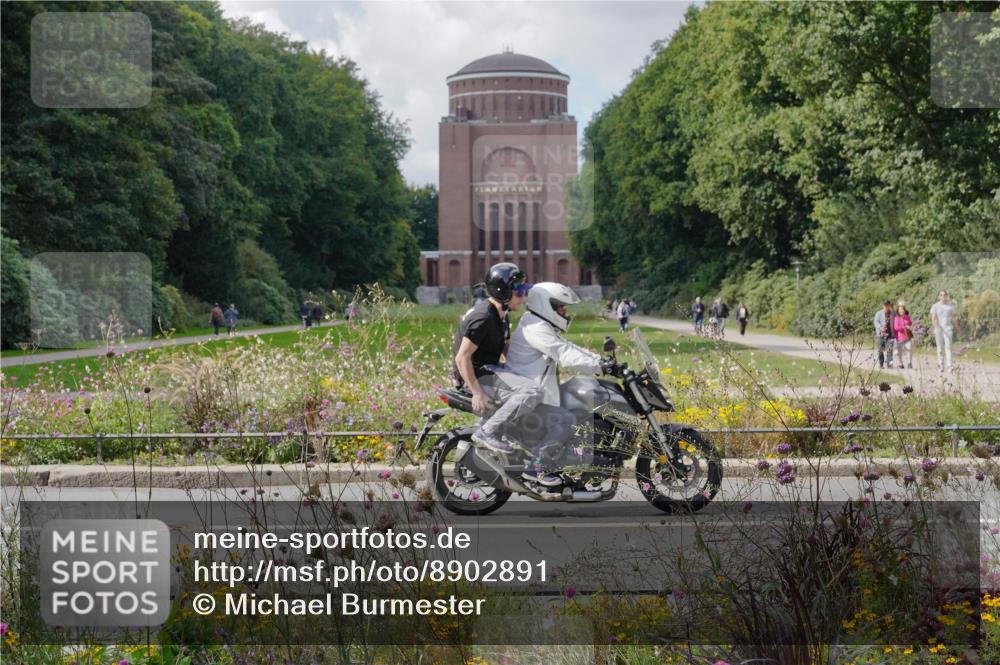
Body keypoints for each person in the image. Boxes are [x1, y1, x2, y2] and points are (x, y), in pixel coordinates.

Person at [504, 282, 605, 486]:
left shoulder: (537, 324)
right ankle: (536, 468)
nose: (564, 311)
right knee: (565, 419)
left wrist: (599, 360)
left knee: (578, 408)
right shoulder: (535, 329)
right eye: (560, 306)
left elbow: (565, 346)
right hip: (526, 398)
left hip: (533, 394)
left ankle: (573, 462)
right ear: (545, 305)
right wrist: (601, 366)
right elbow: (564, 354)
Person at [453, 262, 531, 450]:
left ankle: (496, 429)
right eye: (518, 291)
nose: (523, 296)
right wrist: (477, 392)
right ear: (503, 292)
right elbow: (462, 358)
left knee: (533, 382)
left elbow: (504, 346)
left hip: (488, 369)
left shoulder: (501, 313)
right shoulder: (484, 318)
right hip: (476, 375)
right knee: (531, 391)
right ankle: (488, 430)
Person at [930, 290, 957, 372]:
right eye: (941, 295)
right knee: (940, 348)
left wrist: (958, 327)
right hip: (938, 330)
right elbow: (933, 318)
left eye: (944, 295)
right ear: (938, 297)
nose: (943, 296)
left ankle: (949, 366)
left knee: (948, 347)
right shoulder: (935, 306)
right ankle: (941, 365)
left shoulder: (950, 306)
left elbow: (954, 317)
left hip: (948, 329)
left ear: (946, 296)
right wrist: (937, 327)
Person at [873, 300, 895, 369]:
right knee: (880, 350)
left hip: (890, 335)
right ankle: (881, 364)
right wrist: (881, 328)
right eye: (885, 305)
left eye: (887, 305)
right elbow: (876, 322)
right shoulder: (878, 313)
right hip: (881, 335)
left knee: (890, 350)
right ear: (883, 306)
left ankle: (890, 365)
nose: (886, 307)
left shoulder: (892, 314)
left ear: (889, 306)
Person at [892, 303, 913, 369]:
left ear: (904, 310)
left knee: (909, 349)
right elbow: (896, 327)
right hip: (900, 338)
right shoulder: (896, 318)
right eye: (900, 310)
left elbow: (911, 324)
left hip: (907, 337)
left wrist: (911, 327)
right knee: (899, 352)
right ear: (898, 311)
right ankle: (901, 364)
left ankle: (909, 363)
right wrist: (904, 327)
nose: (901, 311)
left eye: (902, 309)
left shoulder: (907, 317)